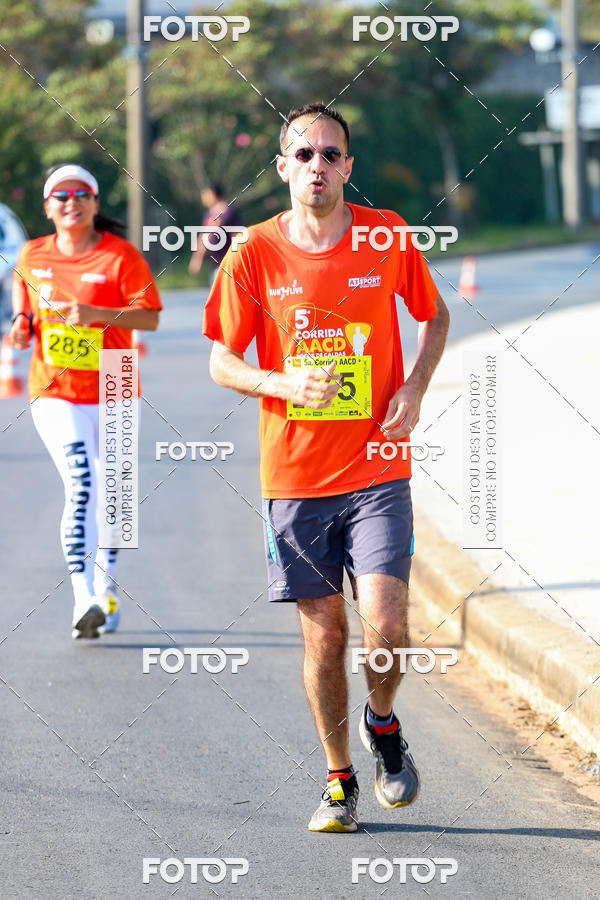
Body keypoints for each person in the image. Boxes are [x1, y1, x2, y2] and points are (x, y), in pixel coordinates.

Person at [203, 103, 449, 832]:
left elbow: (434, 317)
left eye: (330, 153)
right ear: (283, 168)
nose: (317, 165)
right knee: (325, 635)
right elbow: (221, 360)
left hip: (377, 467)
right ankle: (339, 777)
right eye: (302, 153)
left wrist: (413, 387)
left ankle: (383, 724)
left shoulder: (387, 235)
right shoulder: (253, 252)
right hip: (296, 479)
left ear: (348, 166)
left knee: (388, 625)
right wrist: (280, 384)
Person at [9, 163, 162, 639]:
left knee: (114, 495)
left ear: (95, 203)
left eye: (80, 193)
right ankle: (83, 598)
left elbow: (150, 319)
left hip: (116, 382)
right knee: (83, 481)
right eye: (60, 195)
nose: (70, 201)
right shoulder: (32, 255)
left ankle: (106, 589)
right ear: (47, 207)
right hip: (56, 390)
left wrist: (97, 313)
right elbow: (24, 292)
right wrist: (21, 322)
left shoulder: (119, 257)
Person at [188, 183, 242, 284]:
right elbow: (204, 236)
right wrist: (197, 258)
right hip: (215, 266)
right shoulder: (209, 214)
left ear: (213, 194)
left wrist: (237, 260)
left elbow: (237, 236)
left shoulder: (229, 212)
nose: (203, 198)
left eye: (205, 194)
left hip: (228, 265)